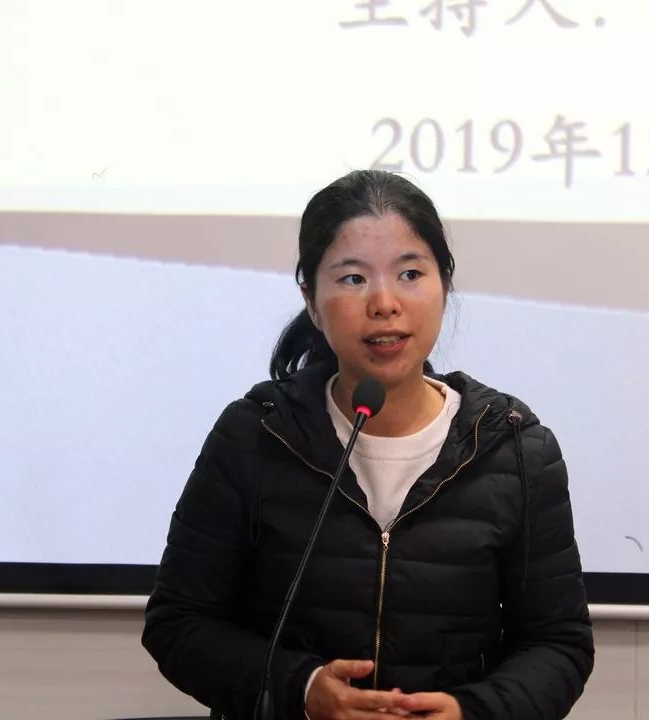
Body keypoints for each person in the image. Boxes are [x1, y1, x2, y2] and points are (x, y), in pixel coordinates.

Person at [142, 169, 594, 719]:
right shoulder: (256, 435)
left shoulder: (514, 448)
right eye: (353, 278)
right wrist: (301, 689)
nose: (384, 303)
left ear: (445, 286)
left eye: (410, 274)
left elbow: (558, 644)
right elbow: (179, 623)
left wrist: (470, 712)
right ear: (311, 300)